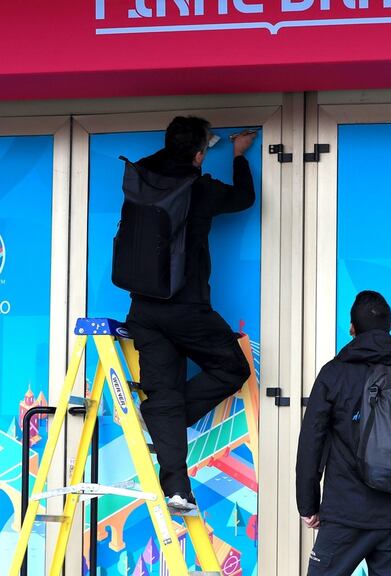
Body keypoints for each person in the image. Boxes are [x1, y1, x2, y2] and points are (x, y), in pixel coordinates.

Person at [125, 116, 257, 512]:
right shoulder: (199, 187)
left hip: (144, 307)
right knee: (232, 368)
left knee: (163, 395)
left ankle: (178, 490)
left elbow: (162, 161)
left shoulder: (142, 179)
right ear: (200, 154)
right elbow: (244, 198)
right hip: (186, 306)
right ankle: (165, 415)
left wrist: (190, 150)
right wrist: (237, 155)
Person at [296, 291, 391, 576]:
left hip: (345, 514)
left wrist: (308, 504)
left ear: (352, 329)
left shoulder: (334, 375)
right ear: (390, 328)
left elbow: (311, 443)